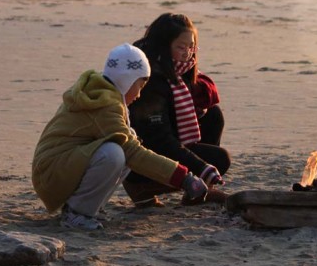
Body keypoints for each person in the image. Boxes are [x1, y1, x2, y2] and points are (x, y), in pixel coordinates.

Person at [31, 43, 211, 231]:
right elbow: (134, 154)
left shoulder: (100, 93)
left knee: (125, 141)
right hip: (50, 175)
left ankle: (87, 208)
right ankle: (77, 213)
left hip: (55, 168)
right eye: (140, 85)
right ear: (127, 80)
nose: (140, 94)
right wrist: (184, 178)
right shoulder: (105, 106)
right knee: (114, 153)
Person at [124, 13, 230, 207]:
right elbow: (159, 140)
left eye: (191, 47)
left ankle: (198, 191)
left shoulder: (178, 70)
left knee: (213, 115)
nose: (188, 53)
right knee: (220, 160)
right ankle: (142, 187)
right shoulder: (149, 79)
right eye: (181, 47)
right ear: (163, 46)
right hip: (142, 157)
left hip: (164, 140)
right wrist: (201, 167)